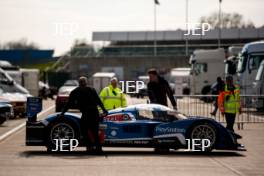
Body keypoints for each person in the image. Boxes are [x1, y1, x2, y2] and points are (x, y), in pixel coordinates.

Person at [60, 76, 108, 153]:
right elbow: (98, 101)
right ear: (86, 82)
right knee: (95, 132)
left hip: (86, 114)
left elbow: (68, 104)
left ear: (79, 83)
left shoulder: (75, 91)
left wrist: (62, 113)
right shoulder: (92, 89)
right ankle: (98, 149)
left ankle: (89, 147)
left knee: (84, 131)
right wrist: (104, 110)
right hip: (94, 113)